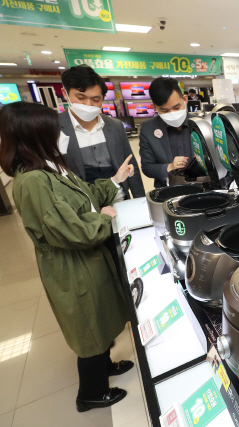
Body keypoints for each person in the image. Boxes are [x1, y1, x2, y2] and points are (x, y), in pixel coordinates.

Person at [0, 102, 134, 412]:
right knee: (88, 327)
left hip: (88, 262)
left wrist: (114, 181)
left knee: (99, 320)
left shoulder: (48, 167)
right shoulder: (33, 181)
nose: (62, 133)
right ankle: (91, 393)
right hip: (73, 267)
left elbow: (84, 197)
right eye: (54, 129)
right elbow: (73, 232)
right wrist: (104, 217)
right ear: (36, 135)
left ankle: (106, 366)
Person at [60, 65, 144, 200]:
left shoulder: (115, 126)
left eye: (95, 99)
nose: (88, 104)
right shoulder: (54, 129)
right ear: (65, 94)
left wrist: (141, 200)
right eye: (81, 97)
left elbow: (130, 164)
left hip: (120, 199)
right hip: (85, 208)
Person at [139, 77, 195, 188]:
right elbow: (147, 167)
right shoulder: (148, 129)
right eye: (165, 110)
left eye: (177, 107)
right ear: (155, 107)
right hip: (168, 191)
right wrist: (169, 167)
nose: (172, 113)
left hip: (202, 189)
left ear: (185, 99)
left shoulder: (202, 124)